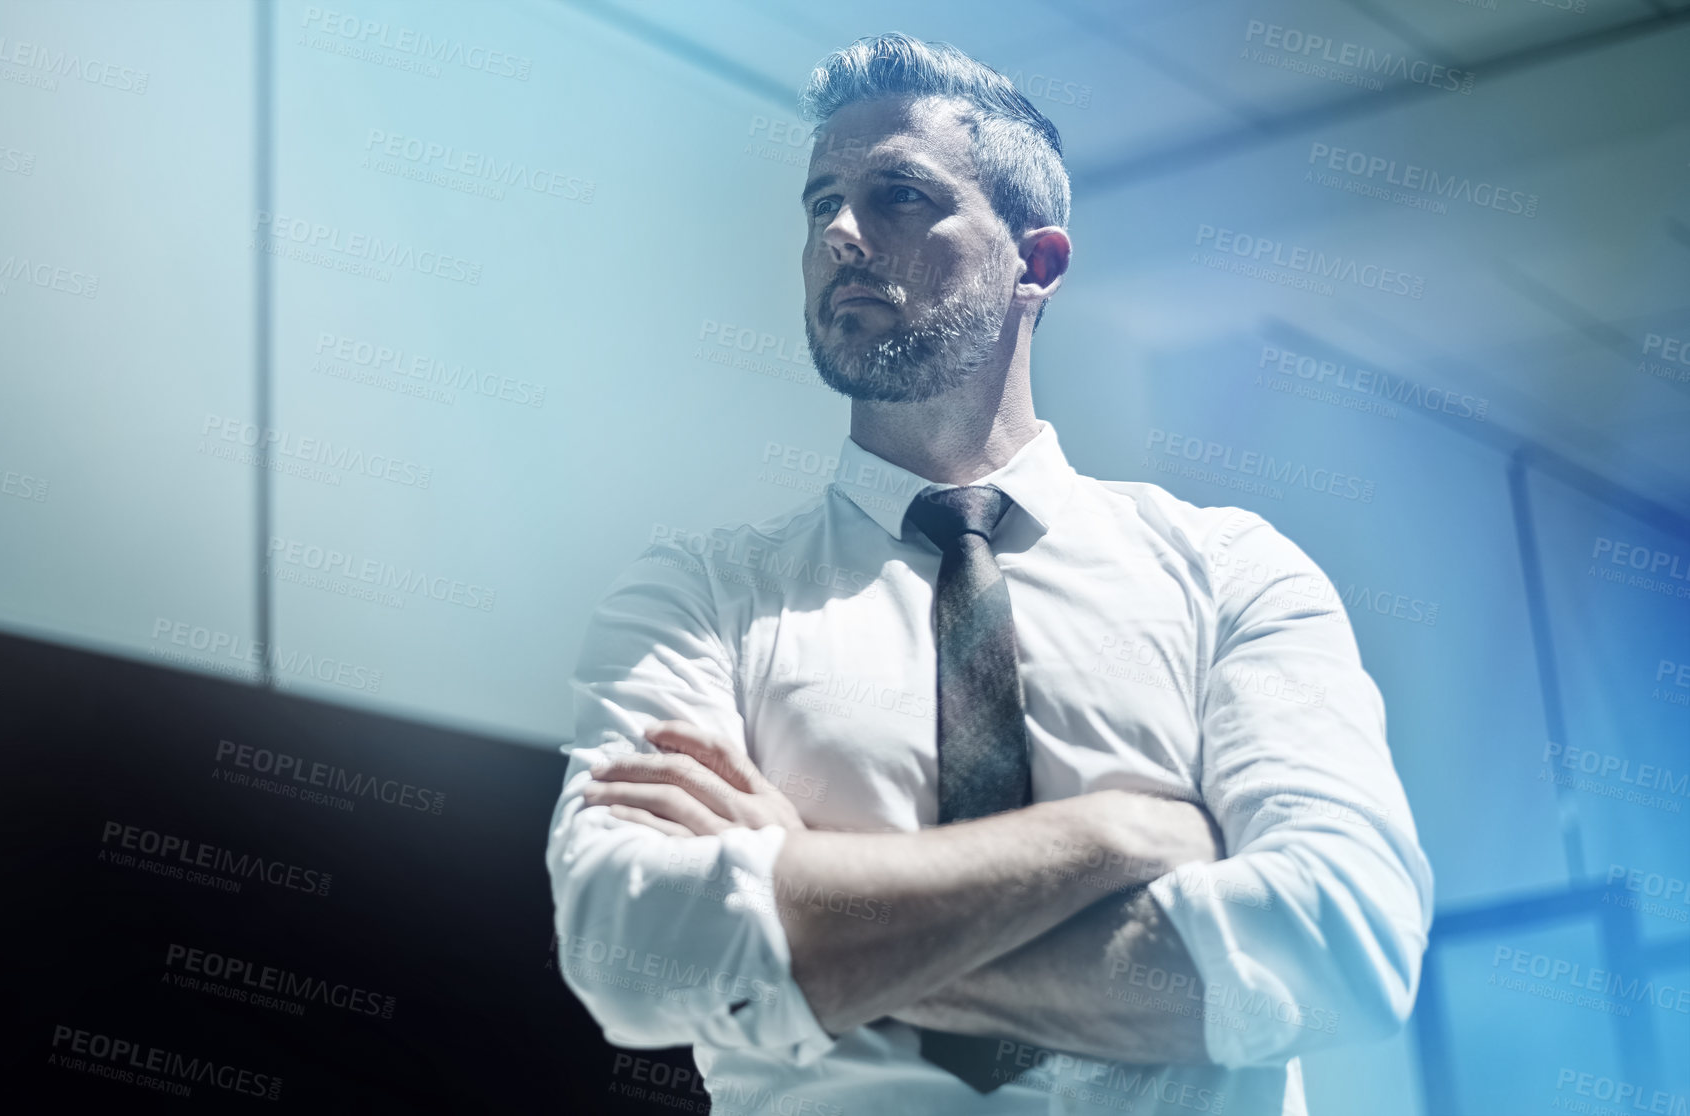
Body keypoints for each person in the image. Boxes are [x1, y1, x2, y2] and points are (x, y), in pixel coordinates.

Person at [547, 31, 1432, 1116]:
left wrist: (805, 901)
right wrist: (1111, 837)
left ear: (1038, 263)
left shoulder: (1231, 575)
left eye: (900, 197)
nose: (838, 232)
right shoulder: (697, 600)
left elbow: (1338, 945)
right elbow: (627, 953)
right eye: (819, 199)